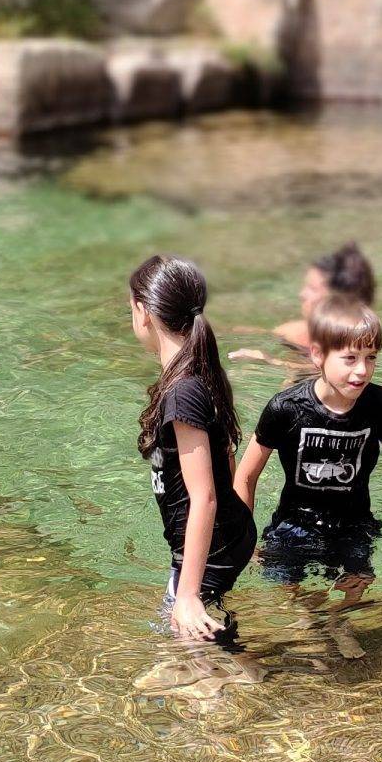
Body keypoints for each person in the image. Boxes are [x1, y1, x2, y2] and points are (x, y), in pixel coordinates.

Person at [234, 296, 382, 658]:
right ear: (317, 355)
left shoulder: (380, 404)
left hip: (353, 521)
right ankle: (310, 620)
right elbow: (246, 475)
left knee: (359, 580)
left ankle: (339, 619)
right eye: (350, 358)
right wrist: (242, 540)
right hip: (294, 523)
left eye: (371, 357)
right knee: (287, 586)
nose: (362, 370)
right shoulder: (286, 408)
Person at [128, 254, 258, 646]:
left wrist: (187, 594)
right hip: (226, 537)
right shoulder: (198, 370)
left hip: (211, 547)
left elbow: (204, 496)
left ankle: (245, 671)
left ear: (143, 312)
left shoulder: (183, 391)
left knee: (186, 644)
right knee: (193, 640)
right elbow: (226, 453)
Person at [230, 241, 376, 365]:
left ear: (339, 300)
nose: (302, 295)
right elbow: (264, 335)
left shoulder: (360, 340)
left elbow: (326, 370)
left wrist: (269, 361)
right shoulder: (297, 331)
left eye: (312, 288)